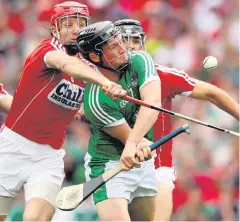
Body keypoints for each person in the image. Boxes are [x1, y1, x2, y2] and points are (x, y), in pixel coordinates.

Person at [0, 1, 127, 221]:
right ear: (56, 28)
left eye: (80, 24)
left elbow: (95, 110)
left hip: (48, 157)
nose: (75, 29)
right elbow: (67, 65)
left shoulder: (89, 67)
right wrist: (104, 83)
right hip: (12, 147)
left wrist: (132, 139)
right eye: (68, 24)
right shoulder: (49, 50)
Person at [114, 18, 240, 221]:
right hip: (119, 167)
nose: (130, 47)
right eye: (123, 42)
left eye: (135, 41)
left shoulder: (160, 75)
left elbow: (213, 93)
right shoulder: (102, 81)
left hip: (157, 169)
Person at [77, 21, 161, 221]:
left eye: (120, 41)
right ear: (96, 57)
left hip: (140, 160)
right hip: (108, 166)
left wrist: (136, 144)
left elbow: (153, 102)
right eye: (113, 47)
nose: (124, 48)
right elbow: (129, 138)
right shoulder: (95, 99)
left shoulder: (140, 58)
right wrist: (136, 143)